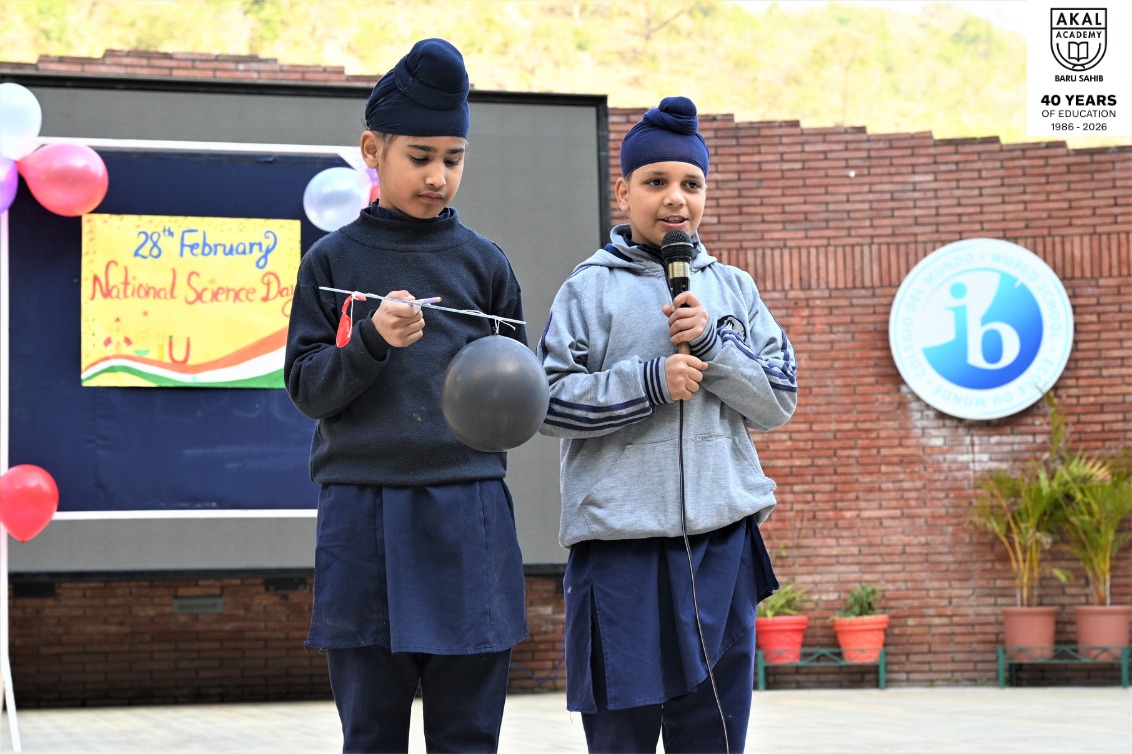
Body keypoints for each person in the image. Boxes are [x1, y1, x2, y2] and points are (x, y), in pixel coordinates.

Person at [284, 38, 529, 754]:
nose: (438, 176)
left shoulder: (485, 264)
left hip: (468, 508)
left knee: (469, 734)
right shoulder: (331, 263)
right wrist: (369, 341)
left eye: (452, 159)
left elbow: (516, 390)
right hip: (362, 510)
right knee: (370, 733)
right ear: (372, 149)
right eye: (419, 157)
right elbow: (306, 387)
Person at [537, 96, 798, 753]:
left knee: (713, 735)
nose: (675, 198)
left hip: (721, 543)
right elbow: (547, 400)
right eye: (656, 182)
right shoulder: (586, 290)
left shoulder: (734, 290)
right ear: (623, 190)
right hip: (619, 549)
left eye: (692, 183)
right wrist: (648, 381)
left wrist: (714, 347)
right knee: (621, 738)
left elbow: (778, 402)